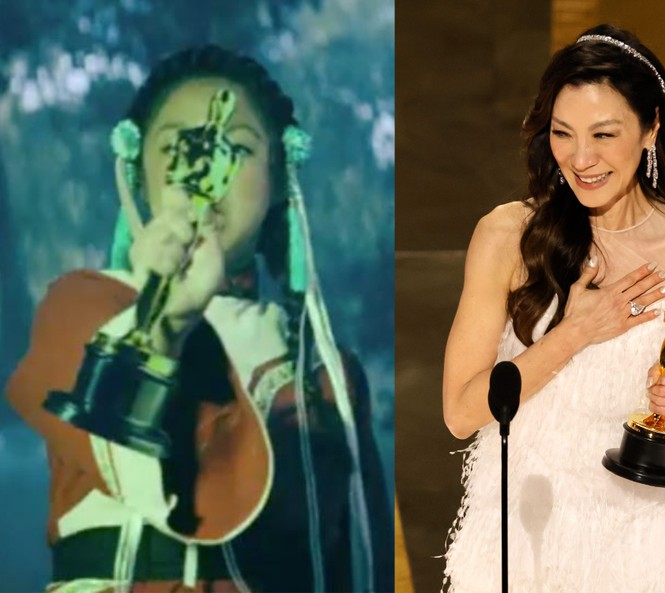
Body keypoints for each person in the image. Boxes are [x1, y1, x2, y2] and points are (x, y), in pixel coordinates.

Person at [6, 45, 392, 592]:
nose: (206, 169)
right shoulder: (84, 310)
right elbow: (121, 448)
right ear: (139, 172)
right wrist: (165, 322)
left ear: (280, 178)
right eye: (177, 147)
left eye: (236, 147)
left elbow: (360, 562)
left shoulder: (325, 371)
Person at [442, 24, 665, 593]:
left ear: (650, 128)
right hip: (524, 530)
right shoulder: (510, 236)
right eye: (563, 134)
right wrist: (574, 333)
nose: (581, 158)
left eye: (604, 135)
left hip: (654, 535)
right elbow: (462, 411)